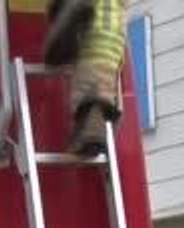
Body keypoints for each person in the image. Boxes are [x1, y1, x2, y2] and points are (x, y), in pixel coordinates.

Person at [43, 0, 127, 156]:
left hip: (92, 42)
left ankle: (91, 135)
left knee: (88, 94)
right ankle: (83, 135)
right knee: (99, 93)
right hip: (114, 48)